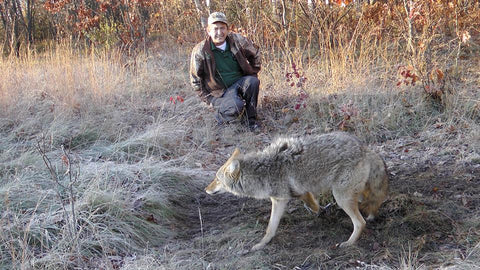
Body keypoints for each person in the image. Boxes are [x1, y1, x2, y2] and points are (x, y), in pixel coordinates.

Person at [190, 11, 261, 131]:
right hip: (219, 92)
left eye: (222, 28)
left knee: (253, 82)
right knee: (235, 106)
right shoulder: (200, 50)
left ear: (227, 29)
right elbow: (195, 81)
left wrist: (253, 72)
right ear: (208, 31)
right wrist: (210, 100)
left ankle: (251, 121)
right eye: (215, 29)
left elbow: (255, 53)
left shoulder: (237, 40)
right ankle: (222, 116)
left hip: (239, 82)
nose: (219, 32)